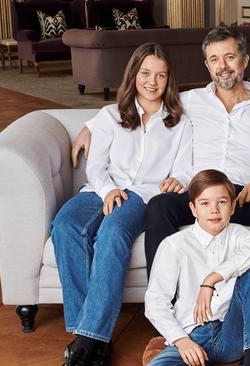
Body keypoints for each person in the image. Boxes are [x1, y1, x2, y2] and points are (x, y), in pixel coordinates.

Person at [71, 26, 250, 364]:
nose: (223, 66)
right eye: (214, 59)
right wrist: (90, 125)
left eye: (230, 57)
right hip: (200, 192)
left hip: (245, 191)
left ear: (245, 60)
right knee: (160, 205)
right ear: (206, 65)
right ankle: (169, 324)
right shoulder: (191, 101)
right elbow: (143, 99)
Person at [51, 43, 193, 366]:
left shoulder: (179, 122)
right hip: (99, 189)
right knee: (65, 226)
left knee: (113, 233)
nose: (152, 82)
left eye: (160, 75)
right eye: (145, 73)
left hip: (142, 195)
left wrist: (178, 181)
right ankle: (90, 337)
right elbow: (96, 166)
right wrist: (108, 190)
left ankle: (86, 345)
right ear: (134, 74)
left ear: (169, 79)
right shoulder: (109, 116)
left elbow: (185, 168)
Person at [145, 169, 250, 366]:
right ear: (193, 209)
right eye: (205, 203)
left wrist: (212, 279)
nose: (214, 210)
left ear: (233, 206)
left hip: (233, 333)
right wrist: (181, 342)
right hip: (193, 337)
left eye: (222, 202)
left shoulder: (239, 235)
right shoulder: (174, 245)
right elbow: (155, 303)